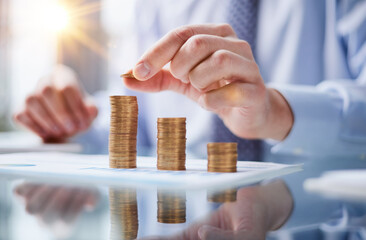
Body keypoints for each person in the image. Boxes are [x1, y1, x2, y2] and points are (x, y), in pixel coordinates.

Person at [13, 0, 366, 158]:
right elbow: (139, 127)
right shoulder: (154, 4)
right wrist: (70, 116)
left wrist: (276, 113)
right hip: (186, 218)